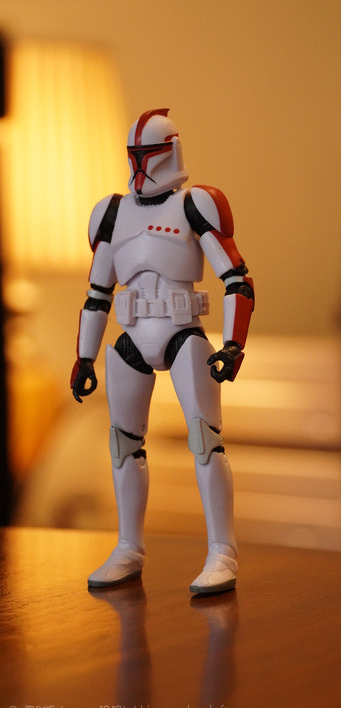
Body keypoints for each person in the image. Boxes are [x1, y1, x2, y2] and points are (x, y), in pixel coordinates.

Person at [71, 108, 254, 593]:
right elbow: (97, 293)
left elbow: (237, 280)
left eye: (148, 154)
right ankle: (128, 547)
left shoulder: (195, 205)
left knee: (206, 440)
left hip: (181, 332)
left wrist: (233, 346)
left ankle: (222, 551)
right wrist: (85, 356)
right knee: (123, 444)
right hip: (131, 336)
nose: (140, 164)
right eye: (134, 155)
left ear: (169, 151)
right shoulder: (111, 212)